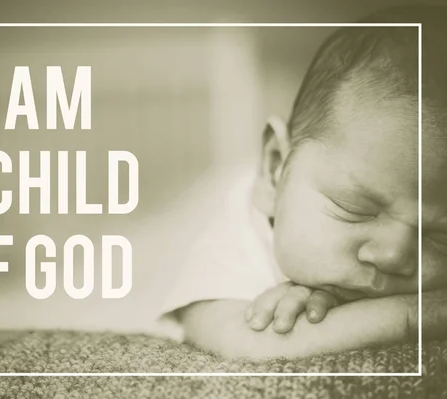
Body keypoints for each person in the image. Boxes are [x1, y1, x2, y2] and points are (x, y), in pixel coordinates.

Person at [155, 5, 447, 360]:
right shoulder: (234, 241)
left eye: (438, 235)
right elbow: (244, 343)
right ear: (275, 168)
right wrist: (412, 317)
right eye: (354, 209)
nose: (394, 256)